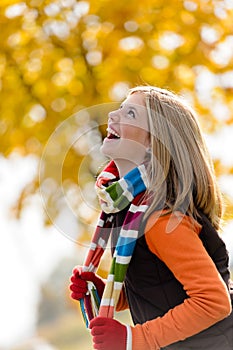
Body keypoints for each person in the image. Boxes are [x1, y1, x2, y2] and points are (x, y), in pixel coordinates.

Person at [69, 86, 233, 350]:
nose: (112, 115)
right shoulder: (132, 212)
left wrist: (135, 339)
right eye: (119, 108)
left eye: (130, 113)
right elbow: (161, 285)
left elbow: (213, 301)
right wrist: (110, 293)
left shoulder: (160, 220)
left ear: (153, 145)